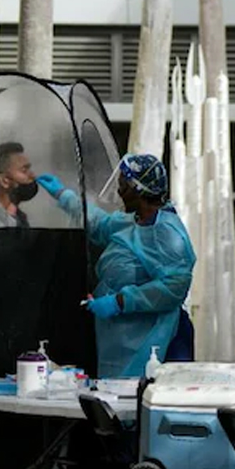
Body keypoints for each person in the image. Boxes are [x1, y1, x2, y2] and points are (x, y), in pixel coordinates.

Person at [35, 154, 195, 378]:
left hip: (152, 339)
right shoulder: (133, 220)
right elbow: (100, 224)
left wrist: (119, 301)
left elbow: (174, 287)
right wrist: (64, 196)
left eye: (123, 186)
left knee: (138, 400)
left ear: (138, 190)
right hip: (121, 337)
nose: (119, 192)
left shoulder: (166, 233)